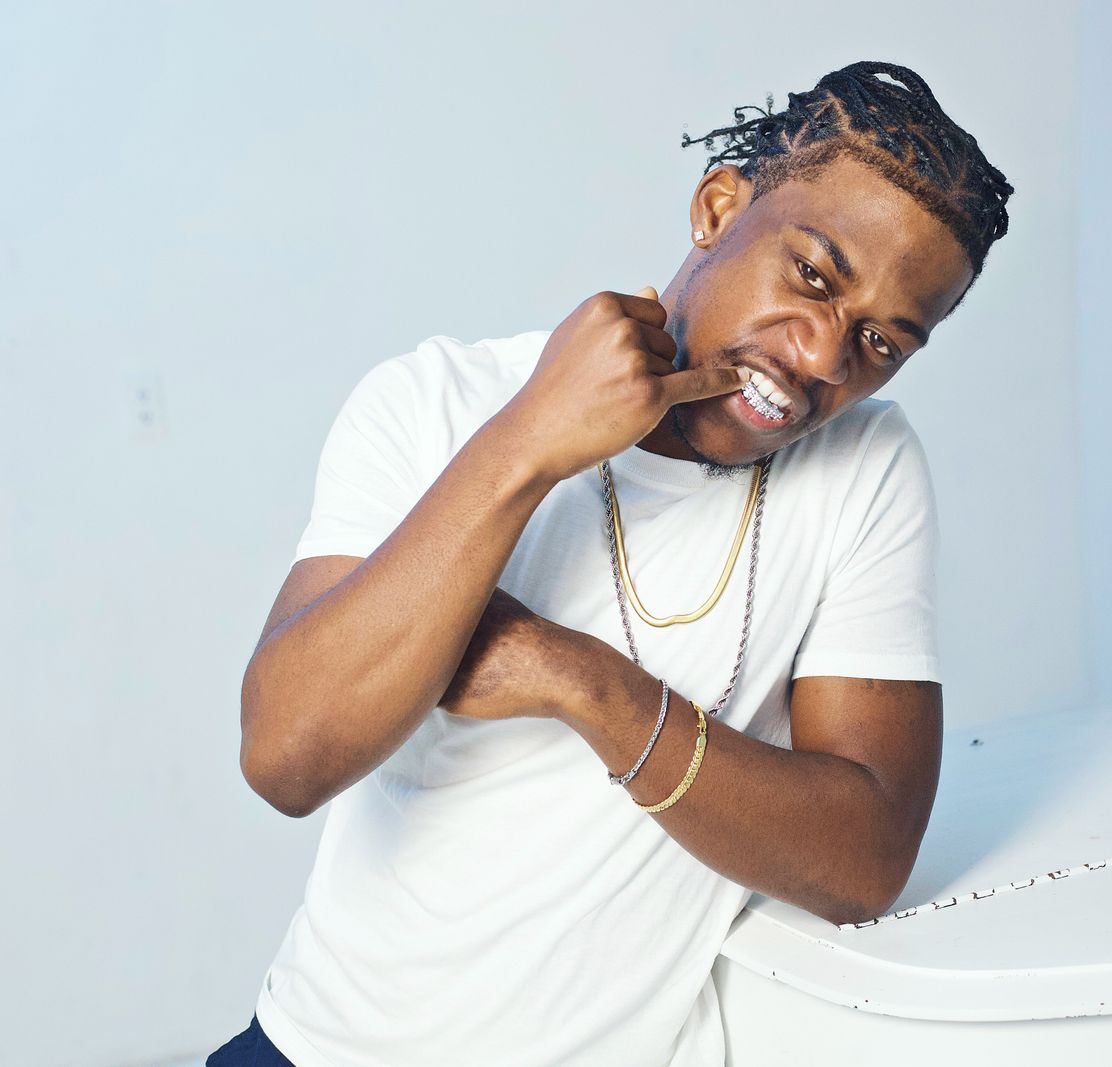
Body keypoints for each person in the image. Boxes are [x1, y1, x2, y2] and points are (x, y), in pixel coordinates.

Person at [209, 59, 1013, 1067]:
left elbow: (861, 860)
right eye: (812, 275)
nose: (822, 357)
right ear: (718, 209)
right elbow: (286, 757)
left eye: (882, 342)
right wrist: (529, 442)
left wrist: (579, 680)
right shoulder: (441, 400)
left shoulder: (864, 467)